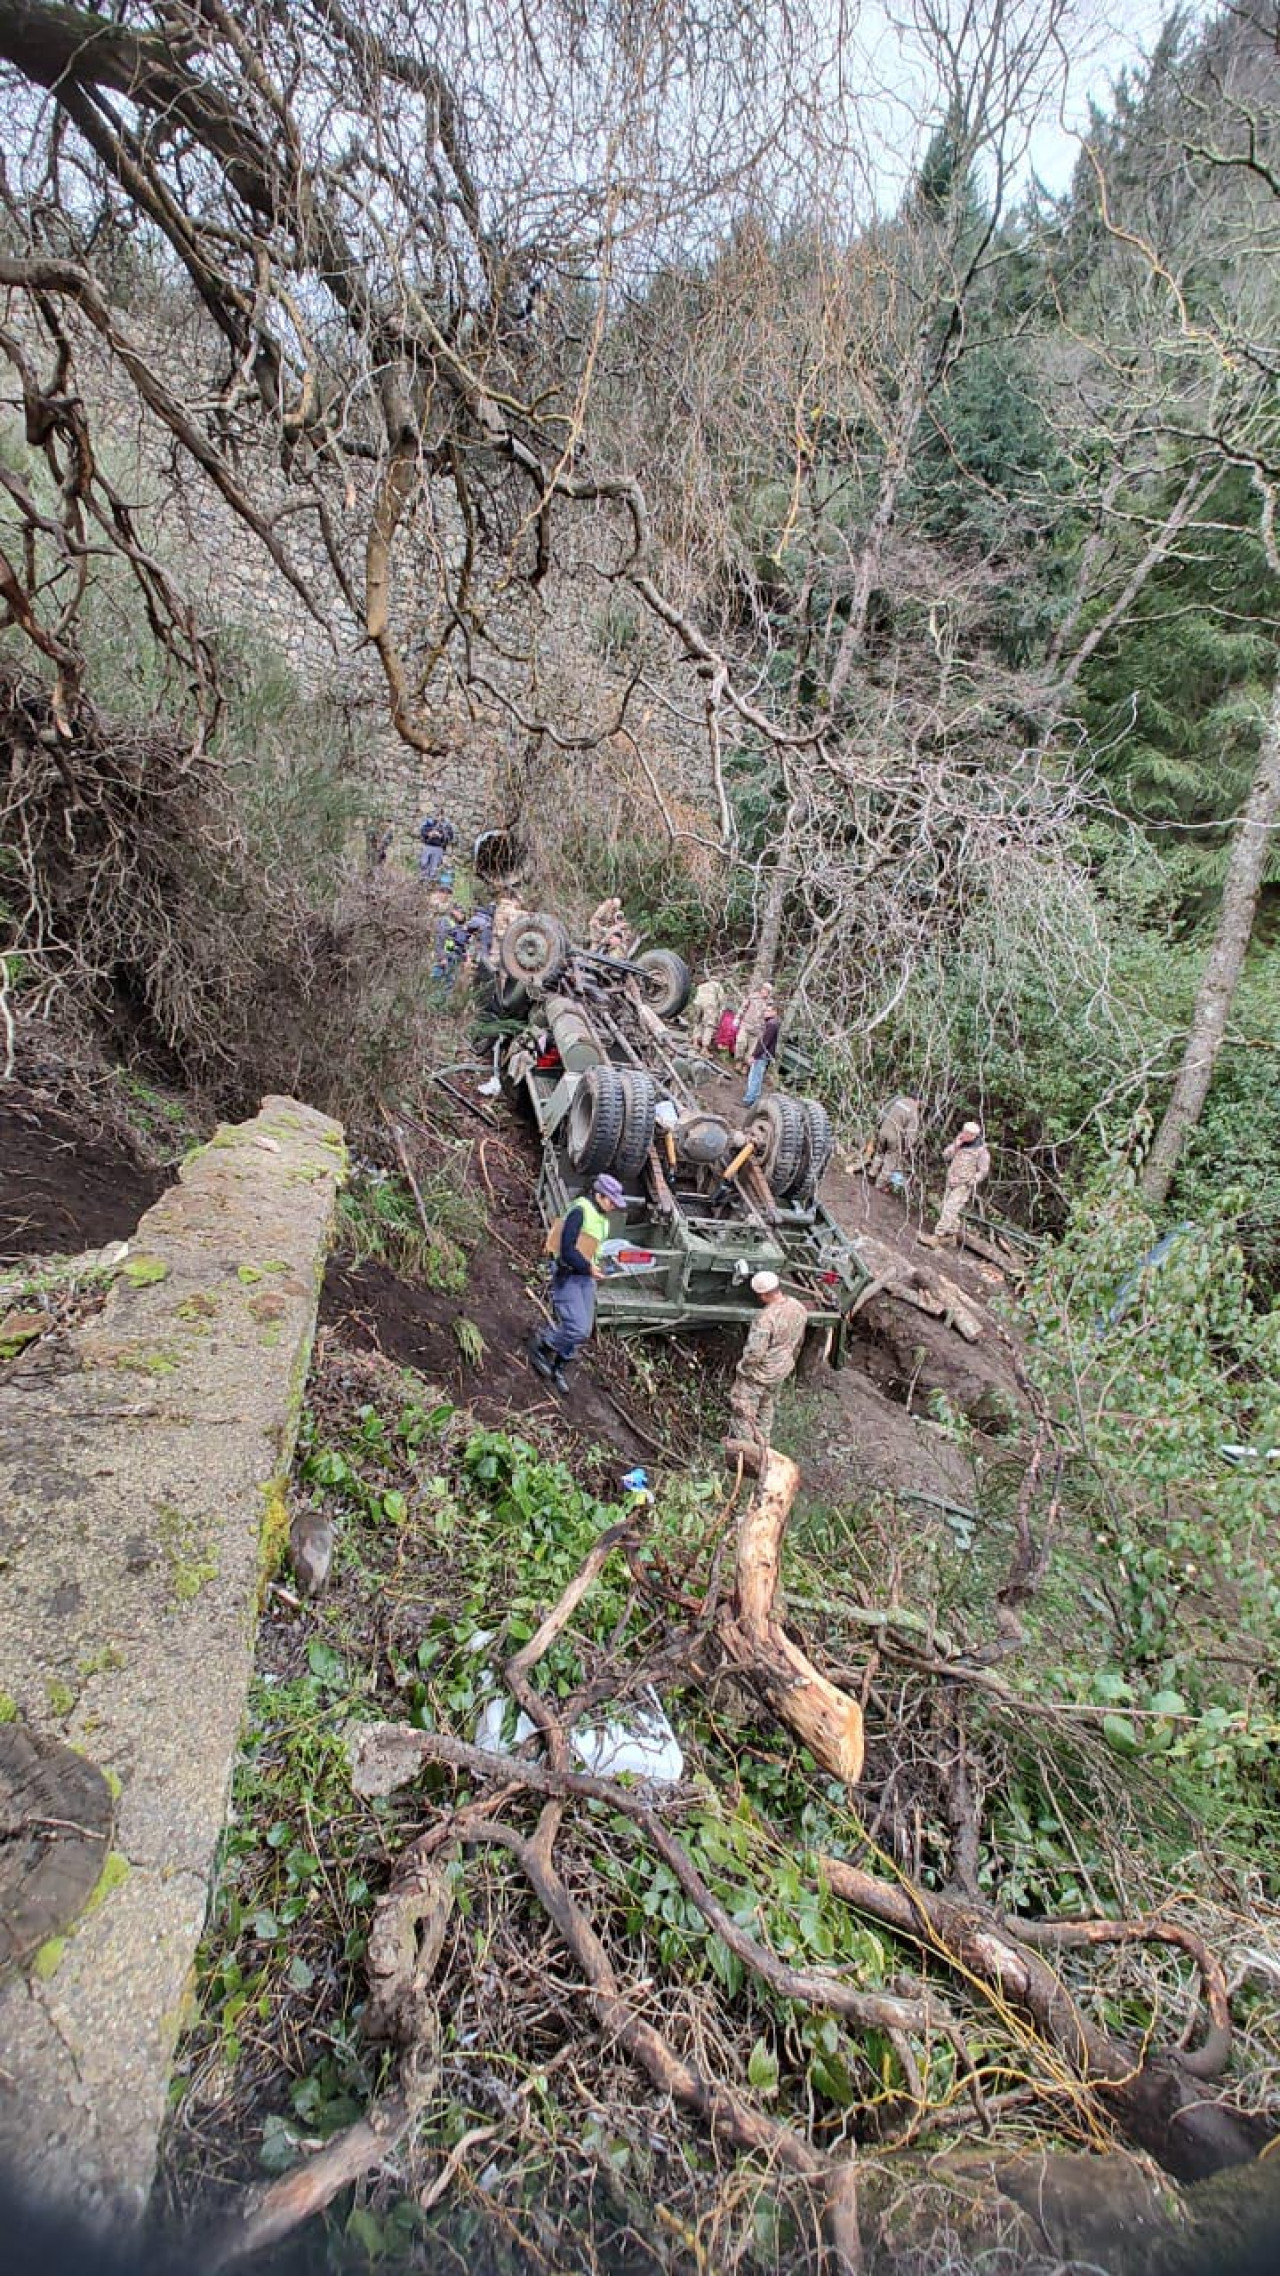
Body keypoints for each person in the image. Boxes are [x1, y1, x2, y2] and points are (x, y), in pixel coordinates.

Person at [529, 1173, 625, 1395]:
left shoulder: (603, 1220)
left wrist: (599, 1267)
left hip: (586, 1276)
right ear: (599, 1195)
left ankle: (559, 1366)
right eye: (611, 1201)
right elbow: (567, 1249)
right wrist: (588, 1267)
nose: (613, 1207)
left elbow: (593, 1248)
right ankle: (542, 1345)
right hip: (569, 1273)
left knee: (585, 1328)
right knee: (577, 1327)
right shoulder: (579, 1211)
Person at [726, 1270, 808, 1454]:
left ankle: (744, 1455)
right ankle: (763, 1450)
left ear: (763, 1294)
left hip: (759, 1374)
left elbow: (755, 1353)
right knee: (766, 1409)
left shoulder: (765, 1318)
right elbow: (799, 1342)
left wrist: (743, 1370)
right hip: (781, 1371)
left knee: (743, 1412)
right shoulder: (798, 1308)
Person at [933, 1119, 991, 1243]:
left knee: (950, 1209)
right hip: (951, 1181)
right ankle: (952, 1234)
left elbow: (983, 1171)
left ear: (974, 1136)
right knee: (946, 1208)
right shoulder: (960, 1142)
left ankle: (937, 1236)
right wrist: (955, 1145)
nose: (963, 1134)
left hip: (963, 1185)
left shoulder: (981, 1151)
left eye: (967, 1133)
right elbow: (945, 1156)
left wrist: (972, 1181)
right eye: (963, 1131)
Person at [868, 1095, 922, 1190]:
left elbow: (884, 1111)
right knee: (890, 1161)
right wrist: (907, 1147)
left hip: (883, 1130)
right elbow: (911, 1132)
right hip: (895, 1136)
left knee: (879, 1154)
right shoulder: (913, 1110)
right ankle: (879, 1185)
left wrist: (878, 1127)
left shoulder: (898, 1100)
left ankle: (871, 1175)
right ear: (918, 1101)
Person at [743, 1005, 780, 1108]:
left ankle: (749, 1100)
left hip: (762, 1055)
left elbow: (764, 1042)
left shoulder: (772, 1024)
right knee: (757, 1078)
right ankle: (753, 1101)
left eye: (768, 1011)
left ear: (774, 1012)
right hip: (765, 1055)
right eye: (765, 1010)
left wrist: (754, 1055)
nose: (765, 1012)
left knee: (754, 1078)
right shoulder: (773, 1023)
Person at [735, 981, 774, 1065]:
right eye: (764, 989)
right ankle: (738, 1061)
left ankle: (745, 1065)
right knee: (740, 1043)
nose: (765, 992)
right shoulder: (753, 996)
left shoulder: (769, 1003)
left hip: (758, 1030)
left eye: (767, 991)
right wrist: (737, 1018)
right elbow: (743, 1007)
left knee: (752, 1051)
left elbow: (769, 1018)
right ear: (761, 989)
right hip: (746, 1025)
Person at [689, 975, 728, 1054]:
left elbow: (697, 997)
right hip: (710, 1006)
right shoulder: (718, 986)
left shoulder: (702, 985)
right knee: (709, 1025)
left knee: (698, 1022)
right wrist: (720, 1011)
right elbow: (721, 1000)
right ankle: (704, 1048)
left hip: (698, 1004)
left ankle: (695, 1042)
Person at [432, 903, 469, 982]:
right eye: (461, 912)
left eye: (464, 913)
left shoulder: (457, 925)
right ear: (454, 911)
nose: (463, 915)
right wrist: (442, 958)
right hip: (444, 959)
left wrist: (464, 956)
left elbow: (459, 943)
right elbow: (439, 939)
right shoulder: (445, 921)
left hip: (452, 959)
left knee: (449, 984)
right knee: (437, 982)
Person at [417, 813, 455, 884]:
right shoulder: (428, 823)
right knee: (424, 863)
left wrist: (440, 835)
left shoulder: (446, 825)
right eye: (437, 815)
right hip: (428, 846)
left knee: (435, 866)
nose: (438, 817)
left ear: (443, 816)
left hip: (439, 847)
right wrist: (429, 834)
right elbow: (422, 831)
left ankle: (432, 882)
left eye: (440, 815)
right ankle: (422, 880)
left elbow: (450, 837)